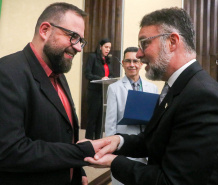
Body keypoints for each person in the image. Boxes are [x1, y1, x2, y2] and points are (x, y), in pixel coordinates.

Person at [83, 7, 218, 185]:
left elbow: (172, 181)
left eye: (144, 43)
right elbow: (156, 140)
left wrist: (114, 162)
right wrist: (118, 141)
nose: (139, 54)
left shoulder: (203, 97)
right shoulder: (178, 87)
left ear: (172, 42)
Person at [0, 3, 110, 185]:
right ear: (45, 30)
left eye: (81, 40)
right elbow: (10, 151)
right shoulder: (7, 72)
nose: (78, 48)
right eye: (73, 37)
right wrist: (80, 153)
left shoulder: (58, 73)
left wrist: (78, 170)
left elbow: (65, 134)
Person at [105, 46, 158, 185]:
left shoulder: (152, 88)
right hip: (124, 148)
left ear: (141, 63)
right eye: (128, 61)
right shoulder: (114, 88)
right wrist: (110, 151)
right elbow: (110, 123)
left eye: (135, 61)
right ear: (122, 63)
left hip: (145, 147)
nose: (132, 64)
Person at [84, 38, 114, 140]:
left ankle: (98, 140)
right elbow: (87, 74)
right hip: (94, 92)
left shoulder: (108, 60)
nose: (108, 49)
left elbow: (110, 75)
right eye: (106, 47)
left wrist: (111, 79)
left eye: (109, 47)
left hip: (104, 92)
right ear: (100, 47)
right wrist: (100, 78)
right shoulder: (92, 57)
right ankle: (88, 141)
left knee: (100, 120)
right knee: (92, 119)